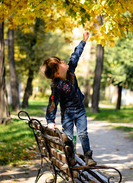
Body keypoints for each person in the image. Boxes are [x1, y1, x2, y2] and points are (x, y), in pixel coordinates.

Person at [41, 32, 97, 166]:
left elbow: (75, 55)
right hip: (67, 113)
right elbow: (53, 102)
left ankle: (88, 157)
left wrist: (83, 41)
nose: (64, 61)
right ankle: (70, 157)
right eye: (60, 62)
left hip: (80, 109)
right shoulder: (57, 85)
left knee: (83, 133)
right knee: (69, 136)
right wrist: (50, 120)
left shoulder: (70, 70)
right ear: (57, 72)